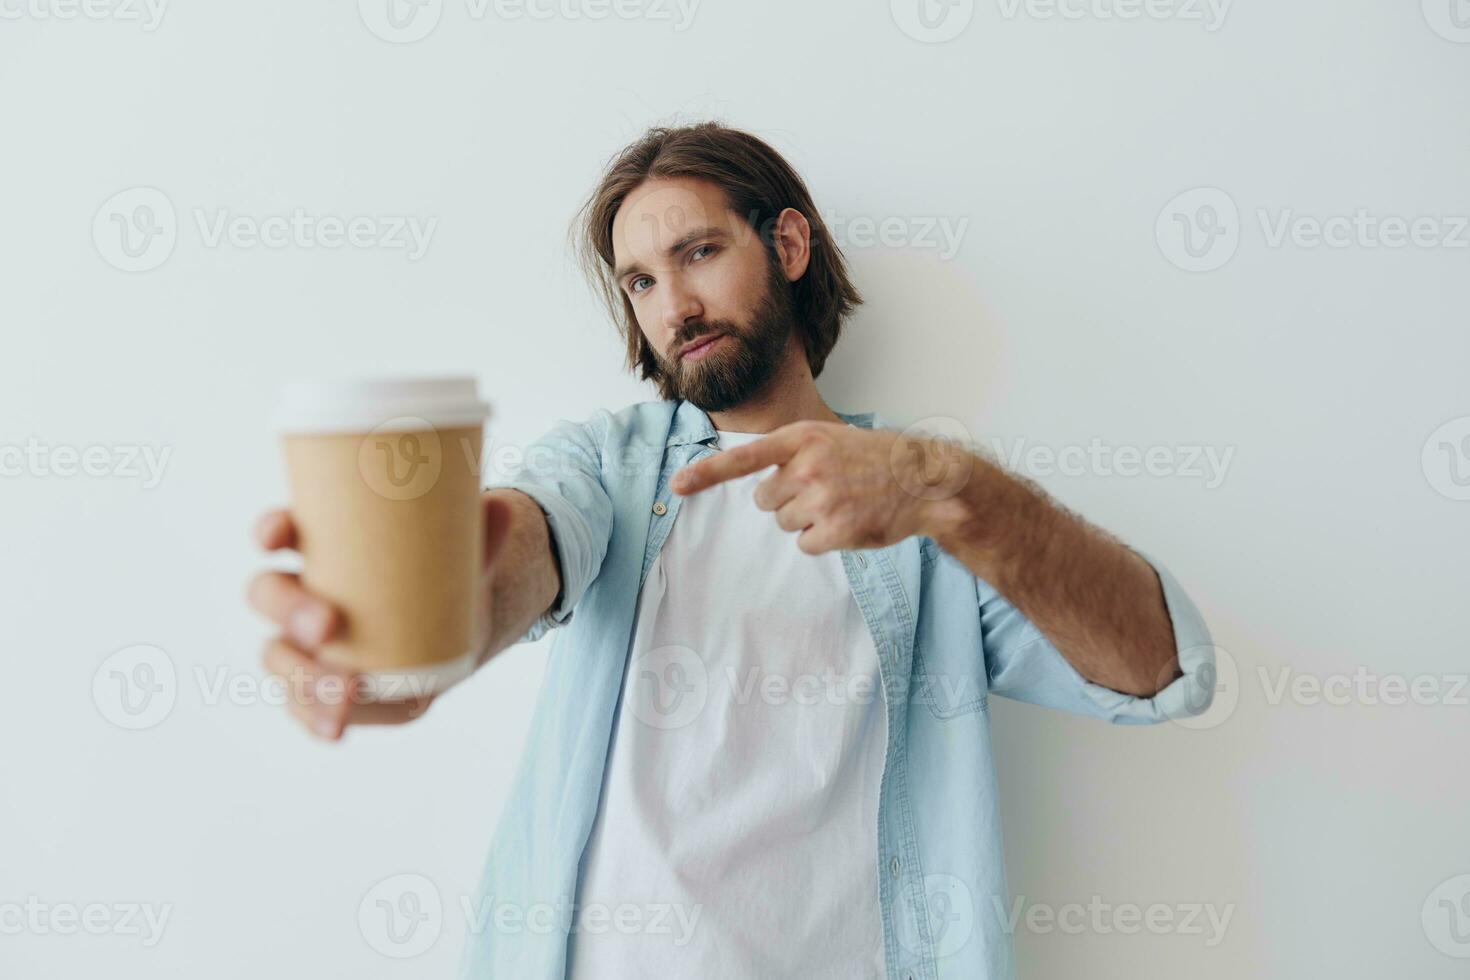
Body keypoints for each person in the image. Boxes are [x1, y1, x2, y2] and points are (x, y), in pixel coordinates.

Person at [246, 121, 1217, 980]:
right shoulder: (610, 467)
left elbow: (1161, 668)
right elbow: (528, 546)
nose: (674, 305)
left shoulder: (925, 502)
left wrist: (950, 488)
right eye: (640, 280)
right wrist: (423, 622)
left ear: (787, 243)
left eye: (699, 251)